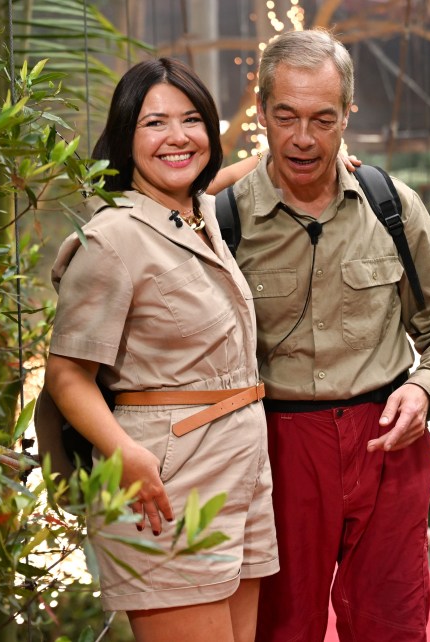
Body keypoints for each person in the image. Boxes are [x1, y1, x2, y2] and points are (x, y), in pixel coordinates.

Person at [227, 30, 430, 641]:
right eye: (285, 117)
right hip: (274, 452)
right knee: (281, 630)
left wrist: (425, 390)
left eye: (323, 118)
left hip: (387, 443)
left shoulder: (392, 207)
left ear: (347, 117)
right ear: (260, 112)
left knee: (390, 625)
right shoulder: (224, 219)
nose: (304, 139)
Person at [42, 57, 278, 642]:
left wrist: (279, 158)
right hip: (165, 477)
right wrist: (124, 453)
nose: (177, 137)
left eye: (191, 120)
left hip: (242, 467)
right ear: (126, 138)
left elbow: (207, 177)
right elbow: (66, 373)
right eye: (154, 124)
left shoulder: (195, 214)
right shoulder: (112, 239)